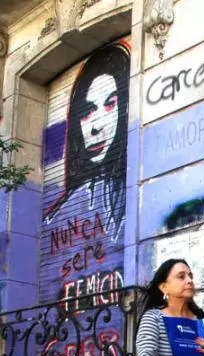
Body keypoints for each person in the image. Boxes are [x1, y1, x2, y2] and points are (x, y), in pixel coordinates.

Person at [44, 41, 130, 244]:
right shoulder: (58, 215)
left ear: (126, 109)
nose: (95, 126)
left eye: (110, 104)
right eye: (87, 112)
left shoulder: (133, 196)